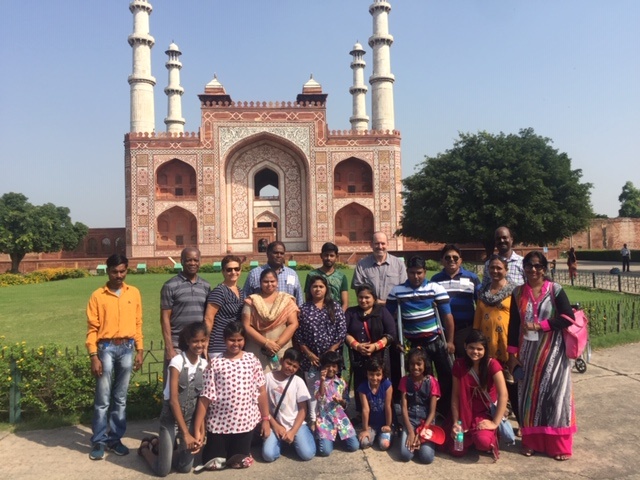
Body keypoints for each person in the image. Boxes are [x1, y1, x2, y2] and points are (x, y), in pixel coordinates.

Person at [507, 251, 576, 461]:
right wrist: (512, 355)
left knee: (556, 397)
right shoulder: (518, 293)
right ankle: (532, 442)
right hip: (527, 354)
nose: (533, 269)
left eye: (537, 266)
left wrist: (540, 325)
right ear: (523, 269)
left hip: (554, 353)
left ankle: (558, 445)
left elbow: (567, 318)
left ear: (544, 269)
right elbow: (513, 326)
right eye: (528, 266)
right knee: (530, 397)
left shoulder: (555, 290)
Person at [86, 254, 144, 460]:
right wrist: (94, 355)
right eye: (114, 271)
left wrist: (140, 349)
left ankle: (115, 438)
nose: (119, 275)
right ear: (107, 270)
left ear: (127, 270)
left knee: (120, 398)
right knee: (102, 398)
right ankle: (99, 440)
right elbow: (92, 328)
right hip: (106, 348)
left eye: (122, 271)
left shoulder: (134, 293)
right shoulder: (98, 296)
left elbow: (138, 322)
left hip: (127, 347)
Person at [193, 322, 271, 471]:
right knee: (213, 464)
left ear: (244, 340)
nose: (236, 344)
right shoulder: (216, 363)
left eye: (239, 340)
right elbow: (205, 398)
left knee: (238, 463)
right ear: (224, 340)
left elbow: (261, 392)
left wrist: (265, 419)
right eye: (232, 340)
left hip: (244, 424)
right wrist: (197, 429)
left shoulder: (252, 360)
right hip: (219, 424)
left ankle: (240, 450)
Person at [387, 256, 454, 419]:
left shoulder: (435, 288)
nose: (415, 276)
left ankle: (444, 410)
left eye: (419, 273)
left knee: (446, 375)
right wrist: (396, 340)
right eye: (412, 273)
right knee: (417, 377)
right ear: (407, 272)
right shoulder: (397, 291)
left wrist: (450, 341)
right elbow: (389, 318)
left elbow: (447, 316)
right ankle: (417, 409)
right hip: (413, 342)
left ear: (425, 272)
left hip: (435, 340)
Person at [138, 323, 207, 476]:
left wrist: (200, 431)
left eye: (203, 340)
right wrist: (185, 435)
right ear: (188, 341)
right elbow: (173, 400)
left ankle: (160, 446)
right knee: (163, 471)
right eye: (195, 341)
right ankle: (145, 449)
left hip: (189, 420)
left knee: (184, 467)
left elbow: (202, 402)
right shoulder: (177, 362)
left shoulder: (204, 365)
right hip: (170, 420)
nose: (199, 344)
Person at [294, 275, 346, 424]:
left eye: (321, 286)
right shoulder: (303, 309)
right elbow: (298, 334)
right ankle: (313, 422)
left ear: (326, 289)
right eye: (314, 286)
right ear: (310, 289)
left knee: (332, 391)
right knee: (313, 392)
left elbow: (341, 331)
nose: (318, 289)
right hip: (311, 360)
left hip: (330, 360)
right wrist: (308, 353)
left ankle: (332, 422)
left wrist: (330, 352)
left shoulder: (334, 307)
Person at [450, 330, 508, 461]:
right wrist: (455, 422)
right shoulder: (459, 364)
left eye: (479, 349)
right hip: (463, 415)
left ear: (485, 349)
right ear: (465, 346)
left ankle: (487, 436)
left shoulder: (492, 364)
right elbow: (455, 396)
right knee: (456, 450)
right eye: (471, 347)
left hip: (484, 414)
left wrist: (494, 423)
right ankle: (469, 437)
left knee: (483, 443)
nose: (475, 352)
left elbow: (503, 394)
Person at [344, 284, 396, 414]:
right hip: (359, 357)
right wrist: (356, 345)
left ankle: (384, 415)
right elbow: (344, 333)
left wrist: (375, 346)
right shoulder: (351, 313)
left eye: (367, 297)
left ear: (374, 298)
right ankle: (362, 414)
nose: (363, 300)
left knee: (380, 383)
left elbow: (391, 333)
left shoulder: (382, 312)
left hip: (379, 357)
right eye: (360, 297)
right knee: (361, 384)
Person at [161, 247, 210, 375]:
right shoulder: (170, 286)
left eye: (195, 260)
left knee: (198, 385)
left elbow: (208, 317)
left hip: (198, 343)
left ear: (200, 261)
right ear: (181, 261)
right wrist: (169, 347)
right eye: (189, 260)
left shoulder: (205, 286)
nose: (192, 263)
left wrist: (205, 343)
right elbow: (165, 318)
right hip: (177, 343)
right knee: (174, 386)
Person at [262, 348, 316, 462]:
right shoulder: (267, 378)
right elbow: (264, 405)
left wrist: (292, 431)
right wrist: (275, 426)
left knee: (307, 454)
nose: (290, 368)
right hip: (275, 423)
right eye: (288, 363)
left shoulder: (298, 381)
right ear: (282, 361)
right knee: (268, 455)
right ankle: (283, 442)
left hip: (295, 424)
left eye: (295, 366)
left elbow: (303, 409)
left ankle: (299, 436)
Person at [241, 268, 299, 372]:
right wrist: (266, 343)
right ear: (260, 283)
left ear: (277, 282)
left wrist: (277, 345)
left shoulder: (286, 300)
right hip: (257, 348)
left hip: (281, 349)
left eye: (272, 281)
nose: (269, 284)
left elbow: (293, 324)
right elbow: (246, 326)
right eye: (265, 281)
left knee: (280, 382)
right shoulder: (252, 301)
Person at [431, 244, 481, 358]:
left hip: (465, 329)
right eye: (447, 257)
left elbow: (480, 304)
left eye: (455, 257)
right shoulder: (435, 280)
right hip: (443, 330)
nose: (451, 260)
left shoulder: (472, 278)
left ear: (461, 260)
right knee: (446, 366)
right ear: (442, 261)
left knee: (466, 364)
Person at [398, 348, 440, 464]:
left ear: (425, 364)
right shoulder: (405, 380)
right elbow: (404, 408)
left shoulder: (432, 382)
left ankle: (423, 443)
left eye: (419, 364)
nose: (415, 367)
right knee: (405, 455)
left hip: (426, 422)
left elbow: (432, 412)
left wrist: (422, 432)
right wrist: (411, 431)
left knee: (426, 458)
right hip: (410, 420)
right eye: (412, 364)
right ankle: (409, 437)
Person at [314, 351, 359, 456]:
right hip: (325, 420)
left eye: (334, 366)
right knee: (325, 451)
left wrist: (341, 402)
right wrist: (322, 381)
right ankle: (325, 438)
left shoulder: (342, 383)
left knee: (354, 446)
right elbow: (319, 397)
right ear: (323, 367)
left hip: (340, 419)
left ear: (338, 368)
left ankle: (338, 436)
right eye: (327, 366)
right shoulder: (318, 383)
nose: (331, 369)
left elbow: (346, 403)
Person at [204, 255, 245, 357]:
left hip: (235, 344)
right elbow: (208, 318)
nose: (233, 272)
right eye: (229, 270)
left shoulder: (240, 291)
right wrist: (205, 343)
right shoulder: (219, 291)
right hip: (219, 343)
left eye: (236, 269)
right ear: (223, 271)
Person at [352, 231, 407, 305]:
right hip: (370, 310)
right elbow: (358, 289)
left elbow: (404, 288)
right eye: (377, 243)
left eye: (383, 243)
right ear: (371, 244)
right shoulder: (362, 265)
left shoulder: (398, 264)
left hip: (393, 310)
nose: (380, 247)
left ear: (388, 244)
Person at [243, 241, 303, 306]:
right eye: (275, 253)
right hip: (262, 314)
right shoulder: (255, 274)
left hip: (287, 314)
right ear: (268, 254)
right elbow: (245, 298)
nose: (279, 255)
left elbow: (299, 300)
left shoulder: (292, 274)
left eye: (281, 253)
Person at [357, 357, 393, 451]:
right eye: (371, 374)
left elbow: (388, 406)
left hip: (383, 424)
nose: (374, 378)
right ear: (367, 374)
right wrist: (365, 429)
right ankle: (373, 435)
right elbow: (365, 409)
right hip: (371, 425)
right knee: (364, 443)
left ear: (383, 374)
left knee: (384, 445)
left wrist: (388, 425)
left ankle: (385, 435)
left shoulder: (387, 385)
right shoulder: (363, 388)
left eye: (378, 375)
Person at [304, 242, 349, 310]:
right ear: (321, 256)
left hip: (336, 313)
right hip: (316, 314)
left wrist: (340, 316)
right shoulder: (312, 275)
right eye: (326, 255)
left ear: (337, 257)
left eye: (332, 255)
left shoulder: (341, 277)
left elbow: (345, 303)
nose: (328, 258)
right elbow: (308, 299)